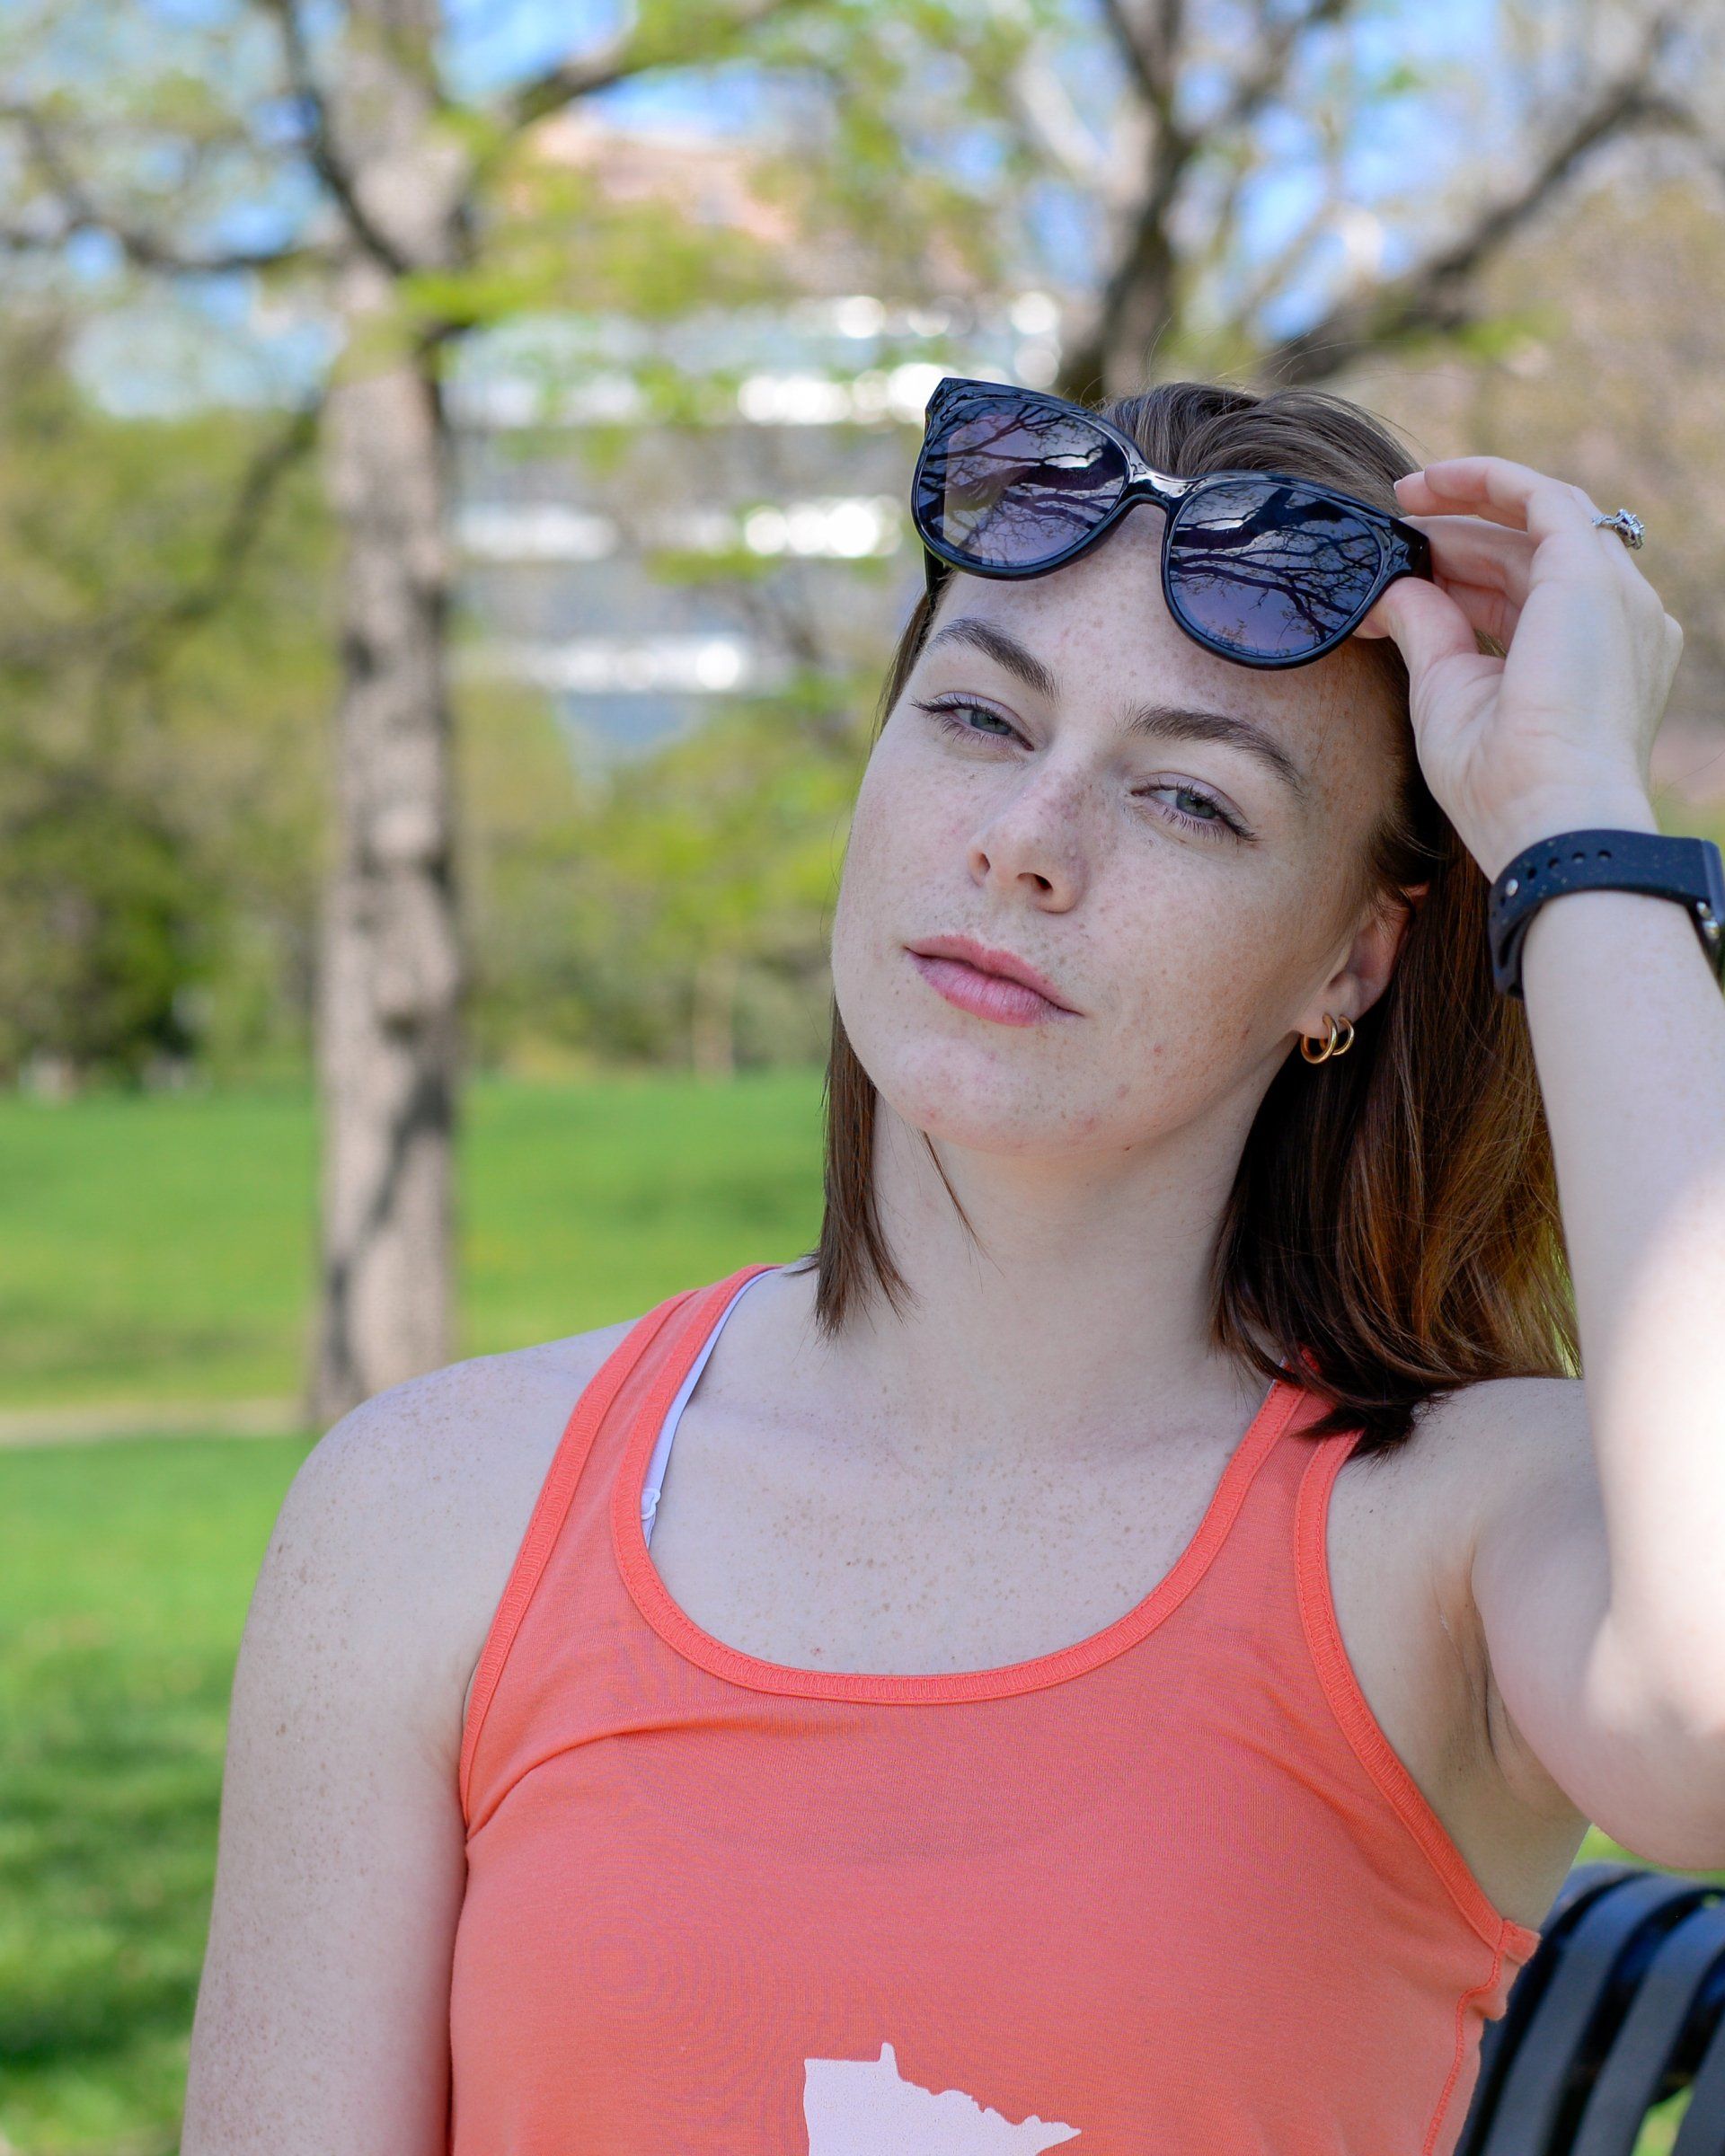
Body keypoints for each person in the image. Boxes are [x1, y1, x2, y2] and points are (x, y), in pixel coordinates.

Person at [181, 375, 1725, 2156]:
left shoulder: (1454, 1526)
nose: (1026, 842)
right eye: (981, 716)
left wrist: (1575, 824)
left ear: (1351, 972)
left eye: (1192, 805)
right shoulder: (427, 1510)